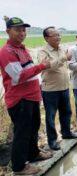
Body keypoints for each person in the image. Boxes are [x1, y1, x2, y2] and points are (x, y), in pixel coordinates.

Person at [0, 16, 52, 175]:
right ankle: (19, 167)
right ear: (8, 31)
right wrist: (42, 66)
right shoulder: (6, 52)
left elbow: (29, 73)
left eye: (24, 30)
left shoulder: (22, 49)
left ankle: (33, 154)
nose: (22, 33)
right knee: (22, 132)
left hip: (31, 97)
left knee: (34, 127)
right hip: (20, 99)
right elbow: (18, 76)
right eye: (17, 30)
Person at [37, 26, 77, 151]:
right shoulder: (42, 52)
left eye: (59, 35)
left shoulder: (61, 49)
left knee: (66, 112)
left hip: (64, 87)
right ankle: (52, 141)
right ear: (46, 38)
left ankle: (66, 133)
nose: (58, 37)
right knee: (50, 116)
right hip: (50, 90)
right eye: (54, 35)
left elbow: (62, 65)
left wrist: (64, 59)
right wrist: (64, 58)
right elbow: (48, 66)